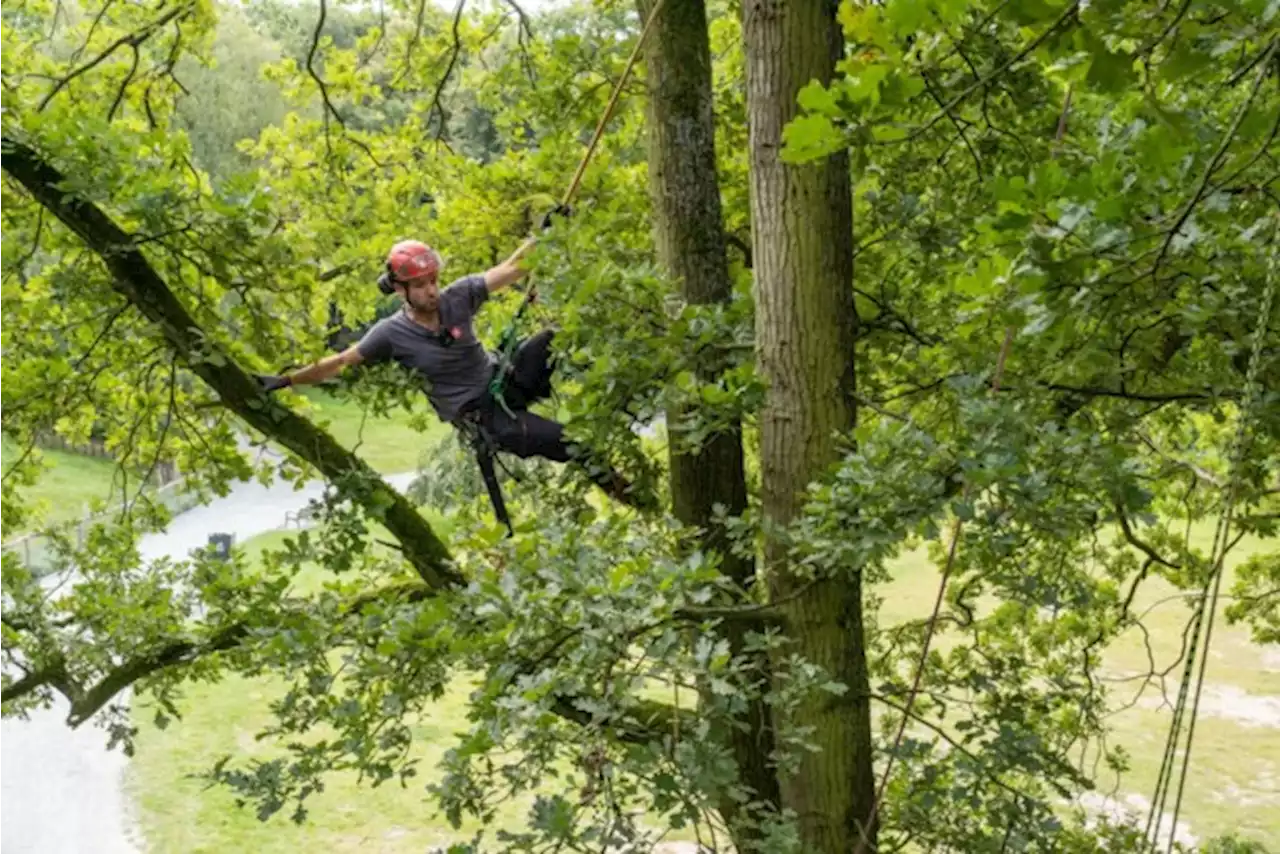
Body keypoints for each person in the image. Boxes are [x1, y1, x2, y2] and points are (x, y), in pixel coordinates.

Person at [256, 221, 643, 513]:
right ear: (400, 290)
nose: (431, 290)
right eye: (421, 284)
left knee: (555, 336)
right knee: (575, 446)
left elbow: (511, 269)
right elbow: (340, 362)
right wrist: (288, 379)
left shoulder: (457, 298)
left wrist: (544, 233)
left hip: (504, 382)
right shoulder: (389, 335)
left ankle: (628, 378)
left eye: (433, 280)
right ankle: (635, 497)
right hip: (488, 419)